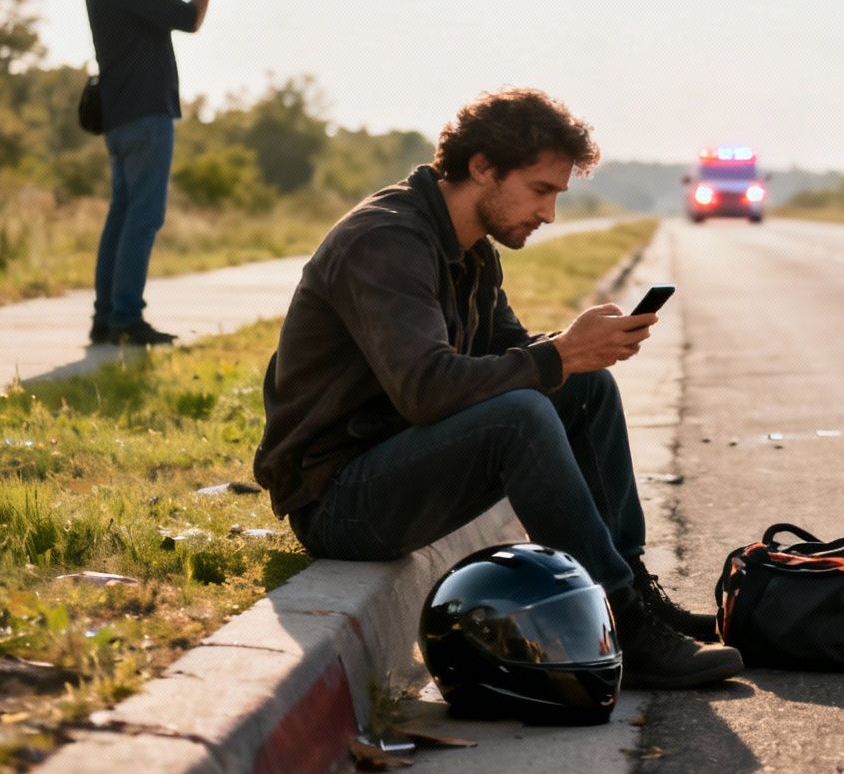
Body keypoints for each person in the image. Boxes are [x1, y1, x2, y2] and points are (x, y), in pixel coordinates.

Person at [252, 88, 743, 690]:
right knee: (521, 415)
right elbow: (427, 389)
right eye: (541, 190)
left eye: (558, 195)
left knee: (585, 390)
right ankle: (621, 620)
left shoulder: (472, 253)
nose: (550, 214)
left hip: (400, 459)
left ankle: (632, 590)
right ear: (482, 167)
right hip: (339, 500)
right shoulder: (384, 241)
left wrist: (577, 349)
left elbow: (510, 353)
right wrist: (560, 354)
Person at [84, 0, 217, 347]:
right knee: (142, 217)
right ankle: (125, 318)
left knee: (123, 216)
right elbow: (187, 17)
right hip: (144, 113)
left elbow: (163, 5)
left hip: (122, 116)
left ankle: (107, 318)